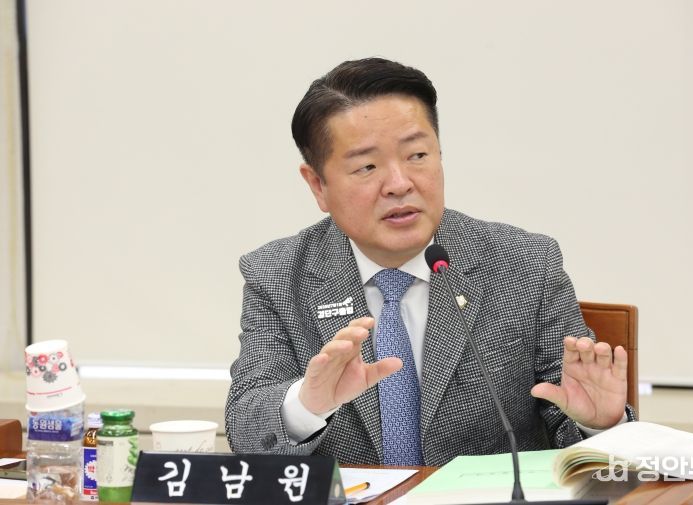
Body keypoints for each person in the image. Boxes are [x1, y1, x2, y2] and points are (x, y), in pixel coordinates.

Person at [225, 57, 634, 466]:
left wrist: (599, 426)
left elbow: (575, 431)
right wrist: (307, 404)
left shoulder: (525, 264)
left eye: (417, 155)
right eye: (367, 166)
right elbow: (246, 428)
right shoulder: (276, 275)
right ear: (318, 185)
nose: (399, 184)